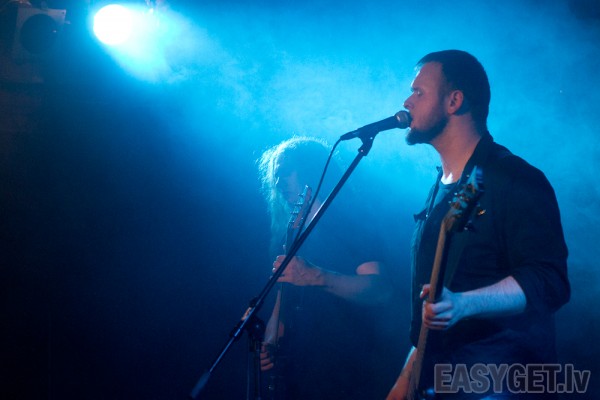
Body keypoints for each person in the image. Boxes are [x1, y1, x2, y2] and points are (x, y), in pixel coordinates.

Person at [386, 50, 570, 399]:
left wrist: (465, 304)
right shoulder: (439, 189)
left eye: (419, 92)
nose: (407, 102)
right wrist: (406, 378)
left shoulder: (514, 178)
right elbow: (433, 308)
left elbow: (550, 280)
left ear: (454, 101)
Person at [257, 136, 398, 399]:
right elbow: (284, 292)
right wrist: (273, 332)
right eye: (275, 176)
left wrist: (317, 276)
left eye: (285, 172)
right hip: (299, 370)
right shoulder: (289, 230)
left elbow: (381, 290)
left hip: (348, 368)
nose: (278, 182)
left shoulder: (350, 219)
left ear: (310, 168)